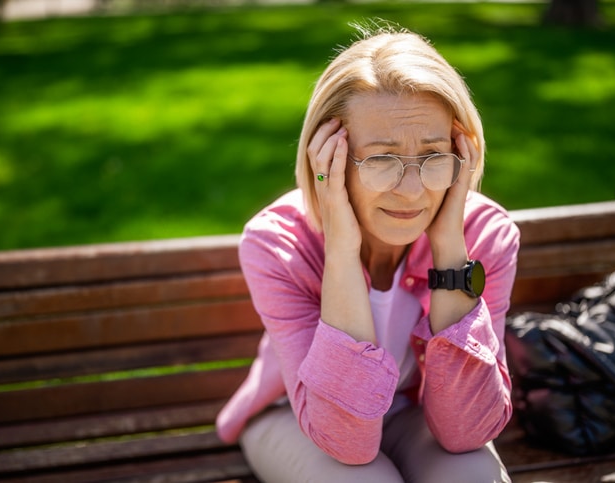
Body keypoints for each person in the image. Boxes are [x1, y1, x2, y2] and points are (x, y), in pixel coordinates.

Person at [216, 22, 519, 483]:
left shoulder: (485, 235)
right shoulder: (276, 244)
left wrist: (450, 249)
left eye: (433, 155)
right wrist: (341, 249)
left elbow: (467, 431)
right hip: (296, 417)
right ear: (329, 158)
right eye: (381, 160)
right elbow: (348, 443)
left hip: (410, 413)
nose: (413, 190)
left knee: (474, 475)